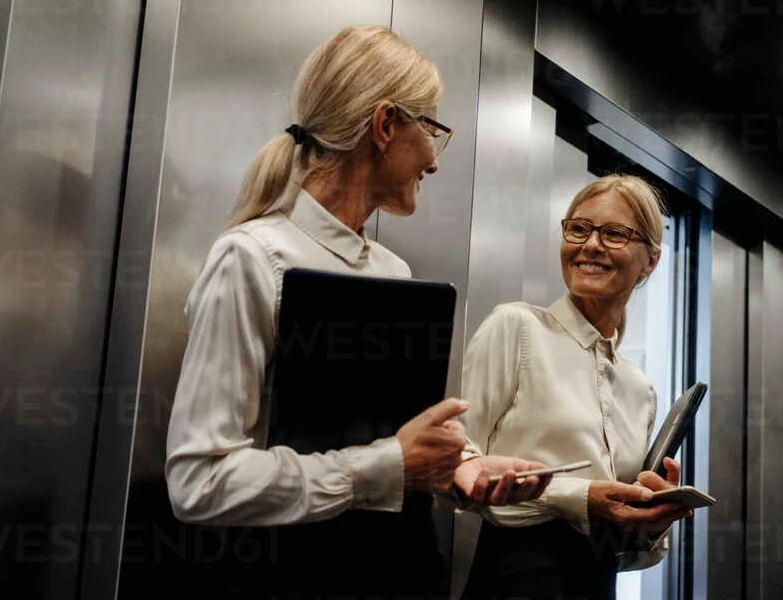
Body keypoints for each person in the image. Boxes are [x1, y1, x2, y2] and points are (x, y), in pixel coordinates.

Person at [164, 25, 550, 599]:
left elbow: (398, 441)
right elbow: (200, 482)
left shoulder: (392, 273)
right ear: (386, 125)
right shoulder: (252, 258)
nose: (435, 162)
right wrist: (387, 465)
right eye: (433, 131)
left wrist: (460, 469)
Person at [461, 174, 694, 599]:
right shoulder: (516, 327)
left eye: (614, 234)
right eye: (578, 229)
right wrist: (581, 496)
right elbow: (458, 464)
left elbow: (624, 549)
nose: (590, 245)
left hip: (598, 584)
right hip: (513, 578)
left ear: (651, 261)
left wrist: (653, 519)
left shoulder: (638, 388)